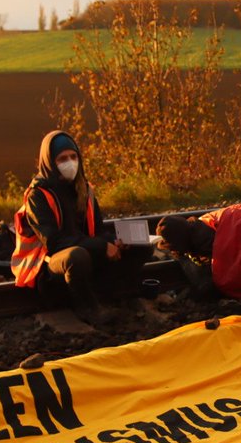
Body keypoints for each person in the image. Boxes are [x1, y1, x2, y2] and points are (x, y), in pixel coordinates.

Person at [19, 130, 151, 312]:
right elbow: (55, 242)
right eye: (62, 159)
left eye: (73, 157)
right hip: (52, 261)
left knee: (141, 242)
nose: (70, 163)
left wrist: (114, 242)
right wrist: (101, 246)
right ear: (50, 162)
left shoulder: (84, 189)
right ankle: (87, 308)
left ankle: (114, 294)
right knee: (77, 256)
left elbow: (97, 230)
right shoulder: (38, 195)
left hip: (87, 249)